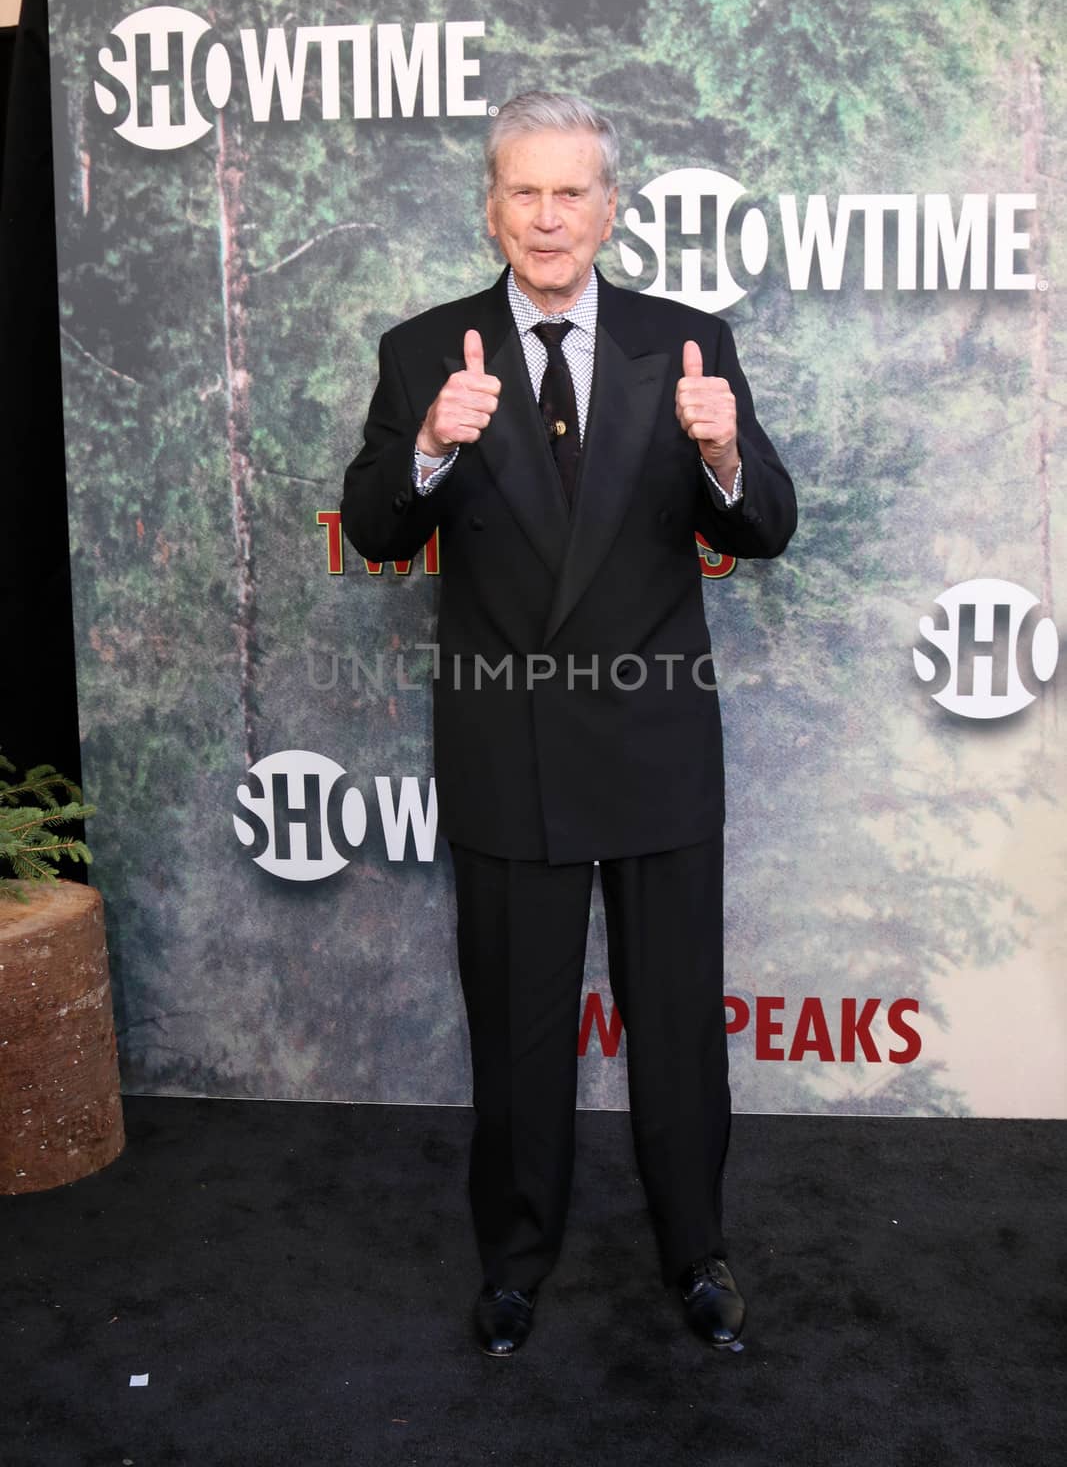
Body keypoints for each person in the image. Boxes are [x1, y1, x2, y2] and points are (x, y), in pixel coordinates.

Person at [341, 91, 796, 1357]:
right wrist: (431, 444)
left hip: (652, 745)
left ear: (610, 206)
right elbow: (377, 524)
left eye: (571, 193)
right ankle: (513, 1262)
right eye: (523, 193)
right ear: (491, 206)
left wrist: (722, 456)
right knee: (519, 1022)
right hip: (509, 747)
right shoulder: (424, 348)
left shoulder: (687, 341)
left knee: (671, 1019)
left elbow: (762, 526)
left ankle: (694, 1252)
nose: (547, 218)